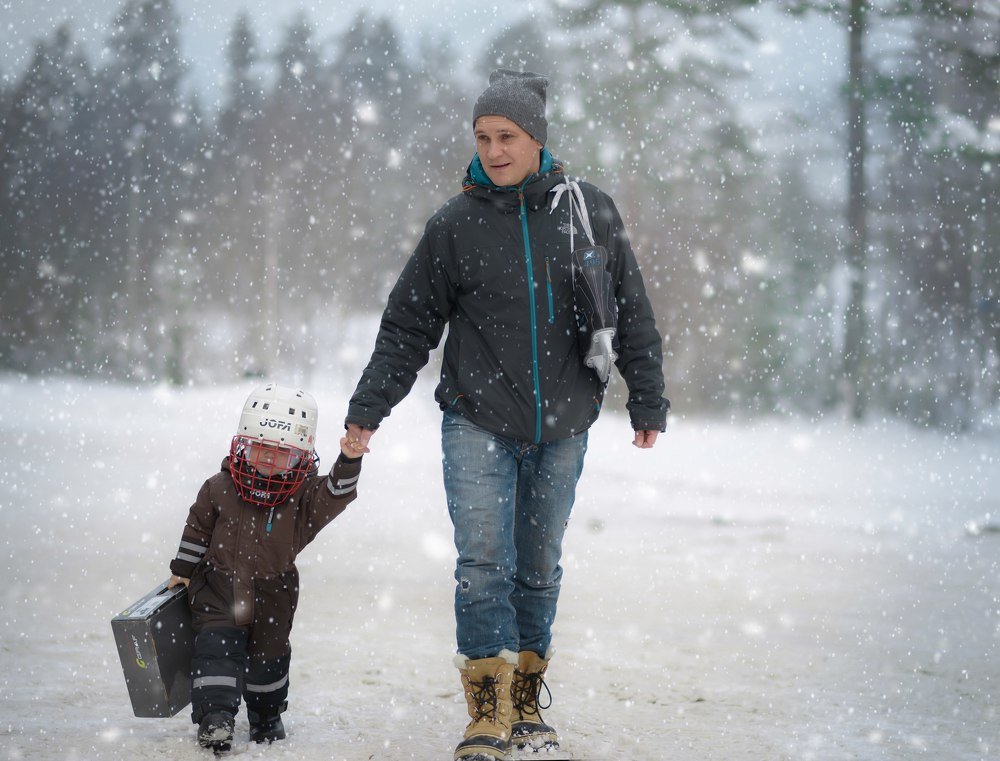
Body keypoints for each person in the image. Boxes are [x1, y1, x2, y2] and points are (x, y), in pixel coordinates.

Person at [344, 69, 669, 761]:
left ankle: (526, 701)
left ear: (537, 139)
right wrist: (369, 407)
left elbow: (631, 308)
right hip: (476, 418)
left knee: (540, 566)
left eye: (507, 137)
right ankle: (484, 712)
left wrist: (647, 394)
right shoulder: (455, 226)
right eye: (483, 137)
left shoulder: (589, 211)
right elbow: (408, 326)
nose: (493, 151)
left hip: (565, 422)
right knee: (482, 563)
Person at [167, 382, 364, 752]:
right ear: (243, 444)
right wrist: (183, 569)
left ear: (301, 459)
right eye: (260, 449)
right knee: (215, 651)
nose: (269, 461)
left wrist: (350, 459)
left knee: (268, 664)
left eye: (283, 455)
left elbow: (337, 493)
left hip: (274, 596)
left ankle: (265, 715)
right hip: (219, 591)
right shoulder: (218, 488)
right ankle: (216, 718)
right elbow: (197, 528)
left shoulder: (302, 502)